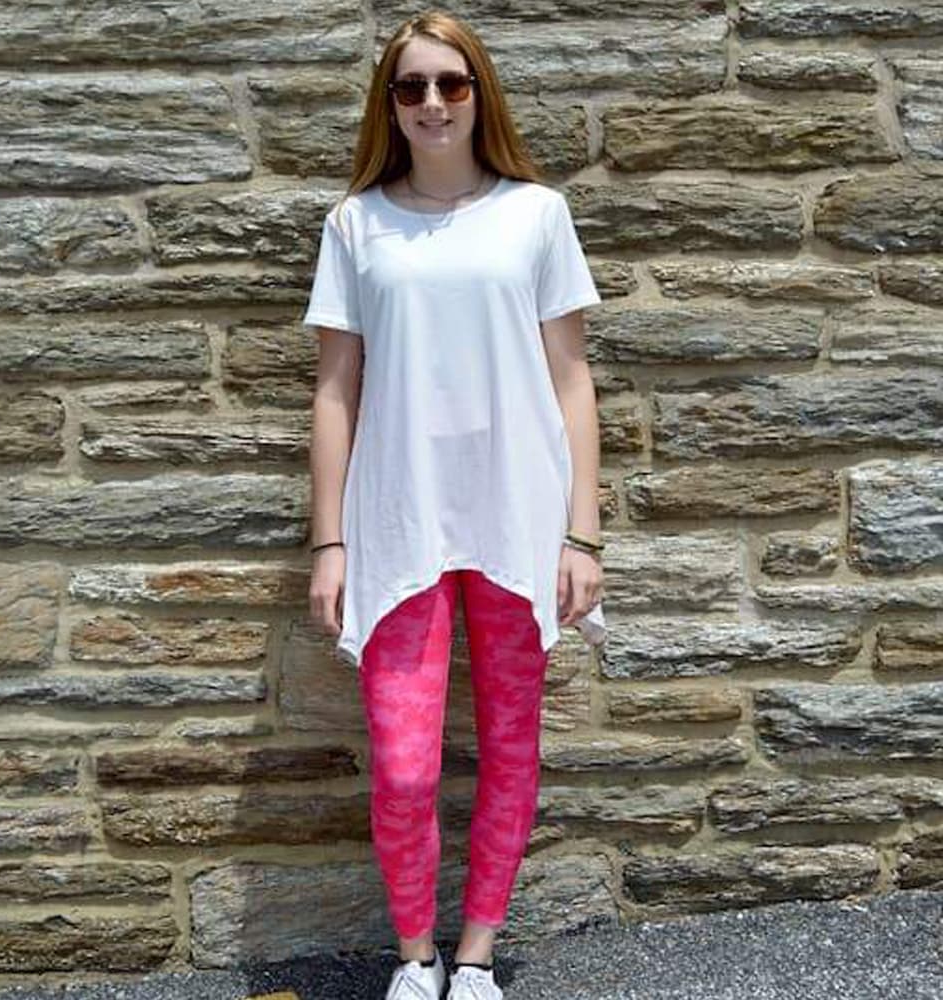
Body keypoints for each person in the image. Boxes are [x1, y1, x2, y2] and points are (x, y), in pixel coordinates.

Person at [304, 10, 606, 999]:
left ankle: (473, 956)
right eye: (410, 87)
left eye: (450, 83)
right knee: (401, 764)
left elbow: (572, 382)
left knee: (512, 740)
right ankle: (412, 954)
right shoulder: (356, 225)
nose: (431, 102)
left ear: (479, 92)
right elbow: (333, 390)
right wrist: (330, 543)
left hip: (517, 518)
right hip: (398, 524)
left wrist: (580, 531)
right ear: (388, 105)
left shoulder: (535, 214)